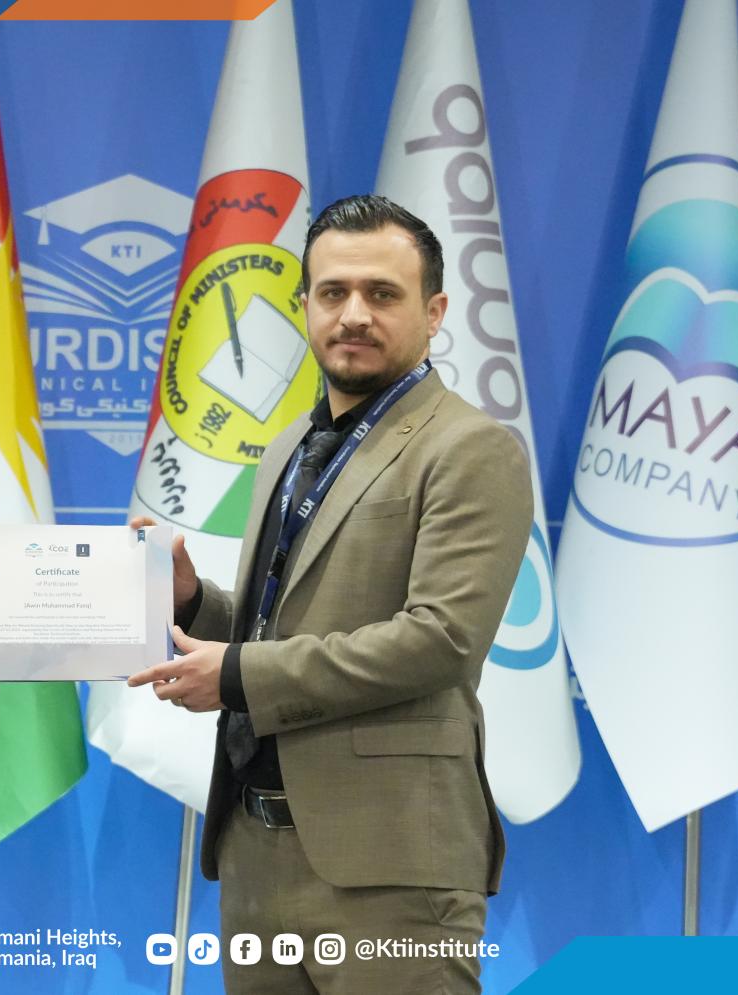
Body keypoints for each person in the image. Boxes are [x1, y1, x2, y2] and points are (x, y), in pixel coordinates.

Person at [128, 195, 531, 994]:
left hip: (391, 866)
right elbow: (283, 624)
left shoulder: (471, 447)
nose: (354, 314)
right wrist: (194, 603)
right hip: (254, 854)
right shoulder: (290, 446)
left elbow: (440, 640)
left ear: (435, 311)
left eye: (382, 293)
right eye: (333, 292)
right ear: (304, 304)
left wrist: (235, 674)